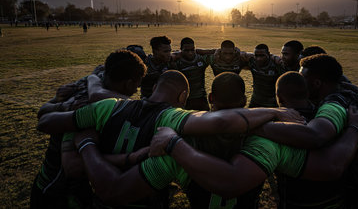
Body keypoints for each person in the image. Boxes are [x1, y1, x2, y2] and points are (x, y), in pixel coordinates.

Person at [37, 70, 301, 207]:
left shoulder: (177, 147)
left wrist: (84, 141)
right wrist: (273, 112)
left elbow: (113, 189)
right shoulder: (172, 124)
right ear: (184, 98)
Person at [257, 55, 358, 208]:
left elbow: (316, 136)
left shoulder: (335, 107)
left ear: (316, 83)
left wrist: (255, 126)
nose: (300, 83)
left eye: (303, 78)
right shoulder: (356, 94)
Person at [31, 50, 147, 209]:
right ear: (128, 83)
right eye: (137, 86)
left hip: (48, 181)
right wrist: (127, 159)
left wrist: (60, 104)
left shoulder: (86, 82)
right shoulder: (88, 110)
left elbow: (43, 111)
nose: (136, 91)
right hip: (58, 192)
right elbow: (73, 166)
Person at [173, 37, 210, 111]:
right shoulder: (176, 62)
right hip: (185, 100)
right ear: (181, 50)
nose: (190, 53)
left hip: (201, 98)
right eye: (186, 50)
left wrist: (203, 51)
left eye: (192, 50)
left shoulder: (201, 59)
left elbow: (217, 52)